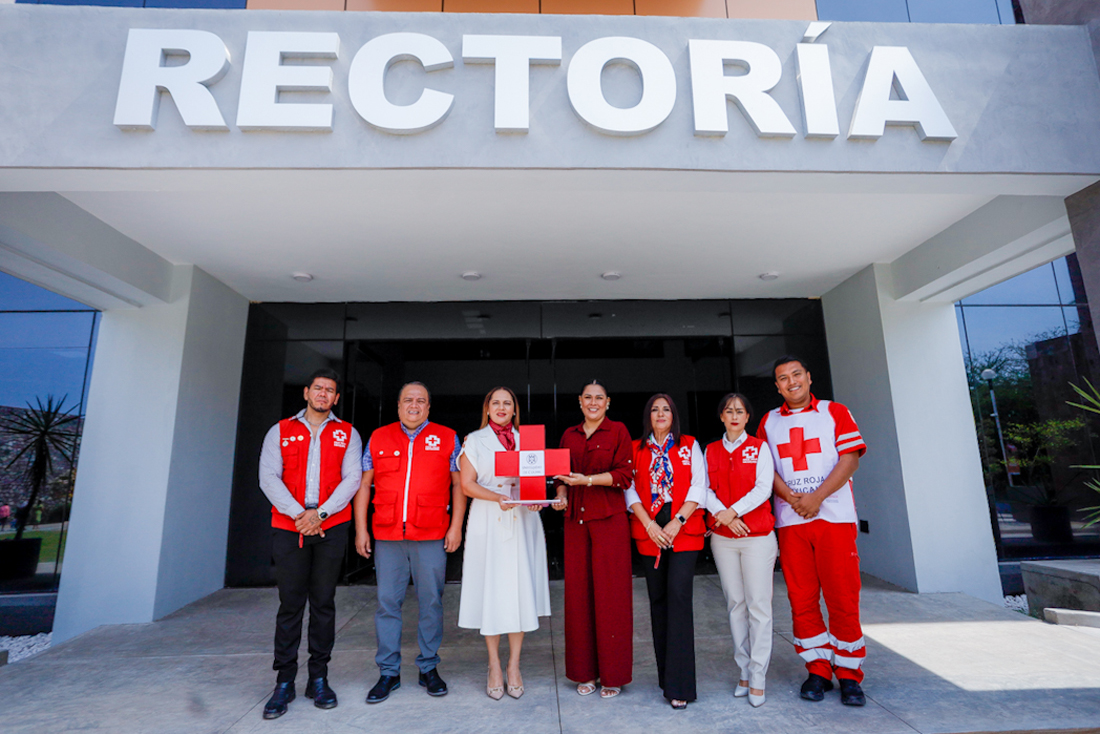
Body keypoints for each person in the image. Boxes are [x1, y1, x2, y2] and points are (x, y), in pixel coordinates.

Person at [758, 356, 868, 706]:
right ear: (777, 387)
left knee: (842, 596)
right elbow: (764, 469)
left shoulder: (835, 411)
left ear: (808, 377)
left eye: (796, 374)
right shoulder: (769, 421)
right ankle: (818, 669)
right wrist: (793, 499)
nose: (791, 382)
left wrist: (816, 498)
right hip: (791, 522)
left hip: (834, 518)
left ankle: (849, 674)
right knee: (802, 598)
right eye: (783, 378)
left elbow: (850, 458)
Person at [257, 368, 363, 720]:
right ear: (306, 392)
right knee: (290, 605)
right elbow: (268, 477)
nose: (323, 394)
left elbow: (352, 479)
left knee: (323, 603)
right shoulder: (280, 431)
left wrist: (321, 514)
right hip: (289, 528)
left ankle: (318, 677)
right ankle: (284, 681)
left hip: (331, 527)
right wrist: (299, 514)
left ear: (336, 398)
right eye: (318, 388)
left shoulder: (347, 433)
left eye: (329, 390)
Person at [354, 382, 466, 703]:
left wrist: (456, 527)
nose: (414, 405)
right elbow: (363, 485)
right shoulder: (379, 437)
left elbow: (459, 485)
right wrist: (361, 530)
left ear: (429, 407)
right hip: (388, 534)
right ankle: (388, 672)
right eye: (408, 400)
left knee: (431, 602)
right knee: (387, 603)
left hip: (431, 533)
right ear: (398, 405)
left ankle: (428, 667)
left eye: (421, 400)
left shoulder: (447, 437)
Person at [457, 387, 551, 700]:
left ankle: (514, 665)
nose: (501, 407)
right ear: (487, 409)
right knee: (491, 590)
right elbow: (467, 485)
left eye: (507, 403)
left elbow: (535, 482)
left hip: (522, 520)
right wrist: (497, 497)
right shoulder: (474, 440)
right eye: (495, 403)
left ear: (514, 410)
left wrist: (536, 498)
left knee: (519, 590)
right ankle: (494, 665)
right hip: (488, 519)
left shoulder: (528, 441)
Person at [553, 379, 634, 700]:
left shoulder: (618, 431)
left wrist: (586, 480)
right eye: (588, 397)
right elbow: (560, 476)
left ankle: (613, 675)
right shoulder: (569, 435)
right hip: (576, 523)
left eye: (599, 398)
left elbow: (625, 476)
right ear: (580, 401)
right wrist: (561, 495)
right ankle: (584, 672)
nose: (593, 402)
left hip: (609, 522)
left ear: (608, 402)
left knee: (611, 598)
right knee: (578, 598)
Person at [625, 394, 706, 709]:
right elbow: (629, 489)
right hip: (650, 533)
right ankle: (666, 679)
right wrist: (649, 525)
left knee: (679, 598)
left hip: (683, 530)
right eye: (655, 409)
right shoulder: (635, 448)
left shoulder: (689, 445)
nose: (661, 414)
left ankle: (681, 685)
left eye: (666, 409)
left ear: (674, 415)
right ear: (648, 416)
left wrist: (677, 521)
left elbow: (699, 485)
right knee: (658, 603)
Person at [705, 393, 777, 708]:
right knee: (736, 604)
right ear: (721, 416)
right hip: (723, 539)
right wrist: (725, 517)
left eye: (740, 411)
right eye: (729, 411)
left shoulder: (760, 448)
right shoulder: (710, 450)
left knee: (758, 606)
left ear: (748, 417)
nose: (734, 416)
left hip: (757, 537)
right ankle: (744, 671)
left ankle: (759, 675)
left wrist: (732, 512)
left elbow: (763, 488)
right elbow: (704, 488)